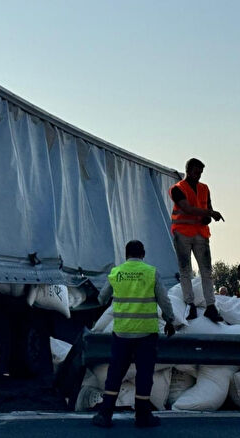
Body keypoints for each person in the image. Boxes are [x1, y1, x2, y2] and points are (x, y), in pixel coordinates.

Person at [93, 240, 177, 428]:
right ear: (143, 254)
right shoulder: (151, 272)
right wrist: (170, 320)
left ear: (126, 254)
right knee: (144, 374)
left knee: (115, 374)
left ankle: (105, 415)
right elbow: (164, 300)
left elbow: (102, 298)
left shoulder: (116, 273)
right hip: (146, 334)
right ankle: (142, 416)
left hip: (122, 333)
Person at [169, 158, 225, 322]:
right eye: (196, 172)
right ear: (188, 171)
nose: (198, 176)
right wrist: (209, 214)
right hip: (183, 233)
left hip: (201, 233)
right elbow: (186, 208)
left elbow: (208, 208)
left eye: (200, 173)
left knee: (206, 271)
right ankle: (190, 304)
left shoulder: (204, 188)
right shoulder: (177, 189)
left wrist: (209, 216)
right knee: (186, 270)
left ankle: (211, 306)